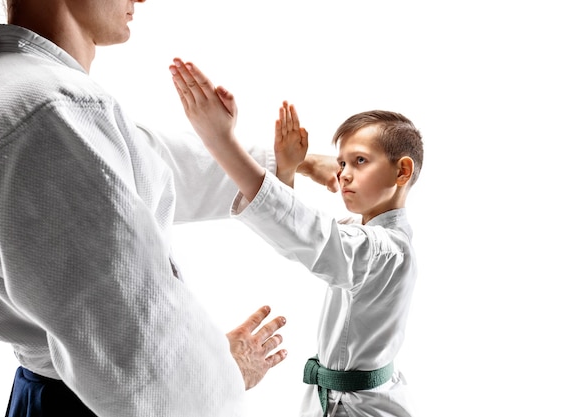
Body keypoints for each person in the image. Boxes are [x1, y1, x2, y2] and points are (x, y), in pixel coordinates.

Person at [0, 1, 340, 416]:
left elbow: (148, 165)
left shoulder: (20, 88)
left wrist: (286, 164)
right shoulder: (46, 109)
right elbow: (136, 354)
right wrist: (223, 372)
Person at [169, 58, 424, 417]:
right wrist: (290, 168)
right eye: (342, 163)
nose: (345, 174)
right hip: (341, 400)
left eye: (360, 161)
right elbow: (301, 231)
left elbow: (310, 236)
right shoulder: (364, 232)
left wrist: (221, 140)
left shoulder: (387, 251)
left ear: (402, 171)